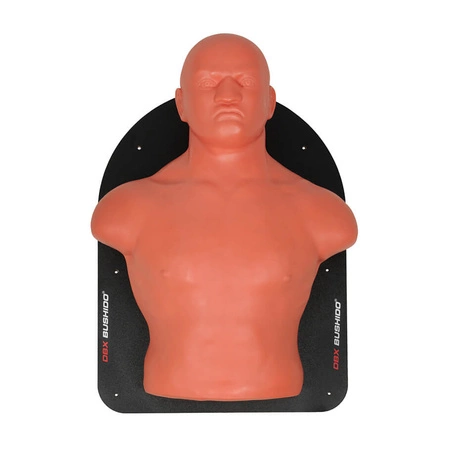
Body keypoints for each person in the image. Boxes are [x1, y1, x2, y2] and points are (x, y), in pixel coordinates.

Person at [91, 33, 357, 401]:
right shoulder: (126, 210)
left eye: (245, 81)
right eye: (208, 83)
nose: (228, 95)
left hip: (281, 394)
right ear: (182, 104)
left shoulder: (323, 215)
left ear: (269, 102)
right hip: (164, 392)